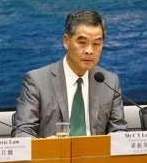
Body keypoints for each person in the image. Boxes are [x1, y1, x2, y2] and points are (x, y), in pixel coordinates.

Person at [13, 10, 127, 138]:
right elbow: (22, 132)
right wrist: (45, 146)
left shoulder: (110, 82)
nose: (89, 51)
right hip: (54, 155)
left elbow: (119, 132)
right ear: (66, 41)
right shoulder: (37, 81)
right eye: (82, 43)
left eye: (96, 44)